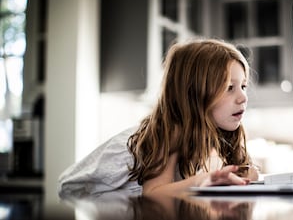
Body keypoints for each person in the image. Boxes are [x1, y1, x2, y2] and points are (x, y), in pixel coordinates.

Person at [58, 38, 259, 198]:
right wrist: (203, 181)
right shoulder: (171, 130)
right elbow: (154, 192)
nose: (243, 97)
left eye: (243, 86)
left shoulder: (216, 133)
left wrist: (244, 173)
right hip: (82, 196)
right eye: (229, 88)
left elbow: (244, 173)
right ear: (194, 94)